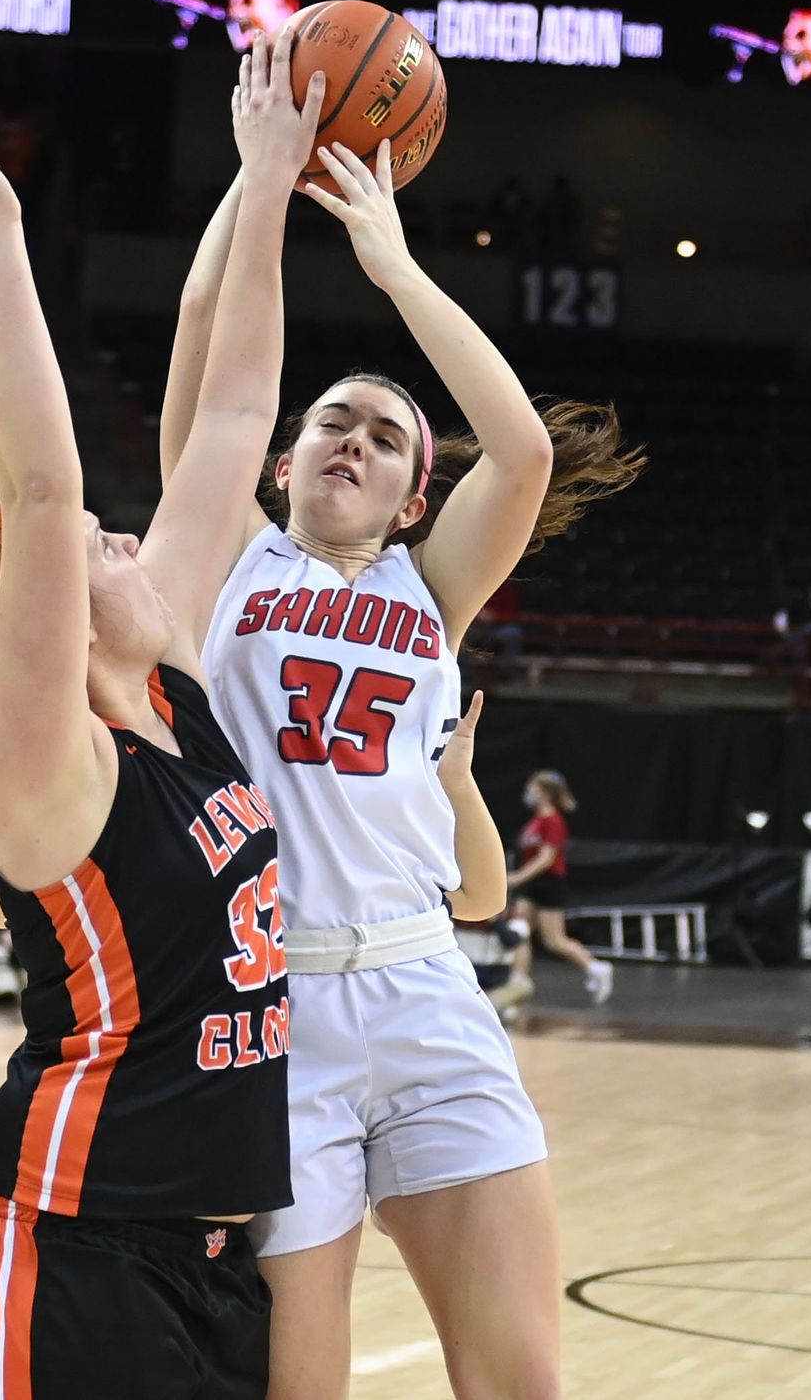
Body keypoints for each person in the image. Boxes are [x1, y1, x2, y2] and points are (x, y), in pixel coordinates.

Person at [162, 126, 645, 1398]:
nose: (355, 442)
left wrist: (391, 263)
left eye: (387, 439)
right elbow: (207, 327)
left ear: (414, 500)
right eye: (333, 421)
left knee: (519, 1382)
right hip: (270, 1007)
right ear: (281, 461)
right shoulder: (219, 555)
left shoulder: (432, 590)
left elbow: (526, 453)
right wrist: (258, 179)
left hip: (428, 988)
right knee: (299, 1387)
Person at [0, 39, 325, 1399]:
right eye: (110, 546)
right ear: (49, 616)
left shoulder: (173, 696)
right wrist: (1, 221)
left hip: (210, 1259)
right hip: (69, 1247)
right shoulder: (52, 771)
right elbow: (39, 488)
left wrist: (266, 183)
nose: (136, 538)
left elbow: (240, 409)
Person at [508, 770, 611, 1005]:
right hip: (532, 886)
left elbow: (546, 858)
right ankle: (517, 979)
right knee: (518, 931)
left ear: (544, 793)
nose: (528, 794)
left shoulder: (553, 821)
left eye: (533, 789)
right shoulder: (535, 821)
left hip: (549, 884)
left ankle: (596, 967)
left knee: (554, 940)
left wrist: (518, 877)